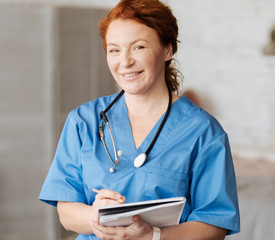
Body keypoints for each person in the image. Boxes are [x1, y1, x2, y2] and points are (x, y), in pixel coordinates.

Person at [39, 0, 240, 239]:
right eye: (114, 50)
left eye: (138, 47)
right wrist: (97, 214)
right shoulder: (83, 121)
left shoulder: (202, 131)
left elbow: (214, 224)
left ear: (168, 49)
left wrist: (152, 236)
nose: (125, 62)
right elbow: (66, 212)